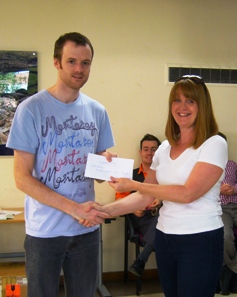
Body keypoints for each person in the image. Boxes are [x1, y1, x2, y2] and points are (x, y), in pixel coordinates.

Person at [93, 75, 228, 297]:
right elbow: (143, 196)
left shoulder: (214, 144)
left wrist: (134, 183)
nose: (182, 107)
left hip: (200, 239)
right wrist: (103, 210)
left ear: (202, 106)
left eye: (190, 101)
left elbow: (187, 193)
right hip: (165, 237)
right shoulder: (164, 148)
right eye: (177, 100)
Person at [6, 32, 116, 297]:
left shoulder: (97, 111)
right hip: (45, 232)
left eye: (86, 63)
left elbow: (100, 172)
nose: (79, 69)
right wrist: (74, 208)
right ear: (57, 62)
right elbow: (22, 178)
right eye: (72, 61)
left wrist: (108, 167)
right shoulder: (31, 109)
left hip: (86, 230)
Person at [116, 133, 161, 276]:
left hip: (161, 214)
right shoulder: (129, 175)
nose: (150, 153)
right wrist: (134, 209)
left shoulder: (165, 174)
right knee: (166, 228)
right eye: (146, 149)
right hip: (140, 218)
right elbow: (119, 201)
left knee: (165, 220)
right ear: (140, 152)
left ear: (159, 152)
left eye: (154, 149)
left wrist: (160, 199)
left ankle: (141, 260)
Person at [219, 155, 237, 295]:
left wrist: (234, 189)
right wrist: (218, 189)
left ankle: (230, 270)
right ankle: (231, 272)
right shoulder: (205, 166)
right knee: (225, 237)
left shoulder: (233, 164)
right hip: (222, 208)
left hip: (236, 204)